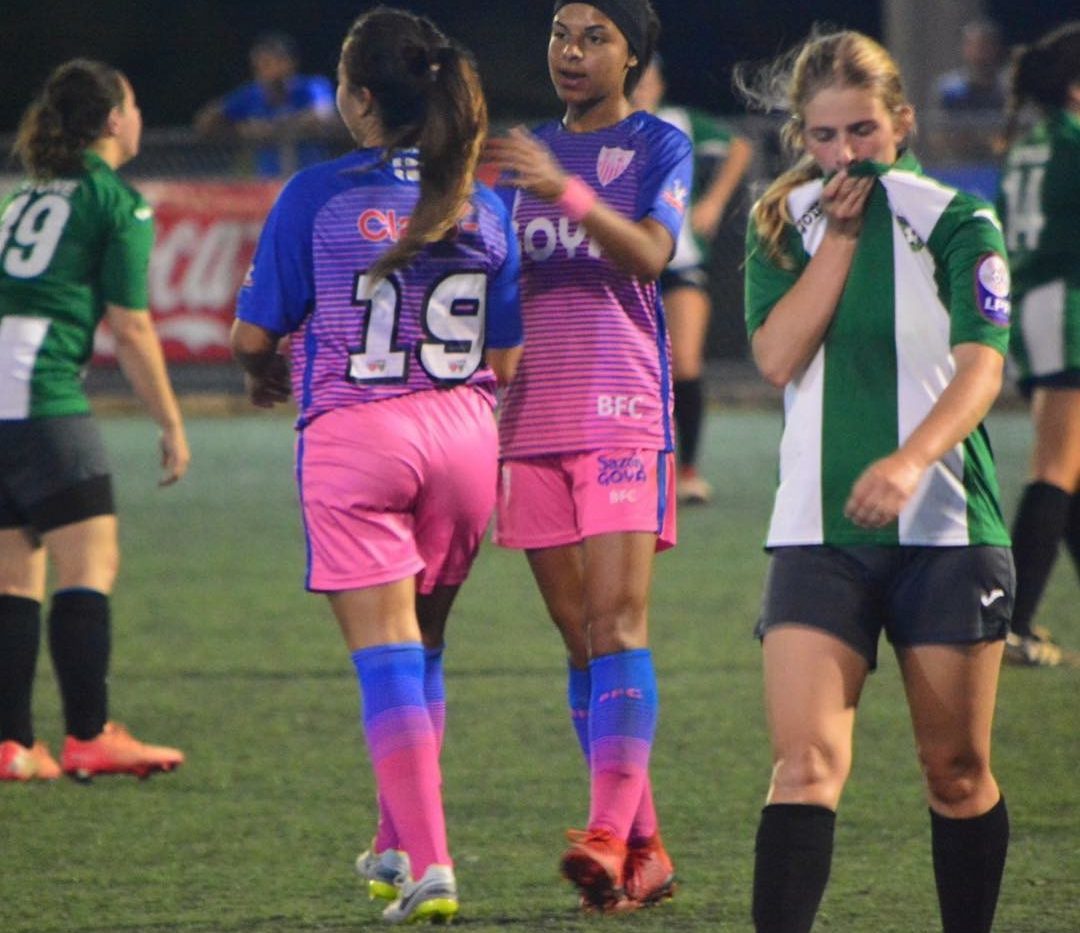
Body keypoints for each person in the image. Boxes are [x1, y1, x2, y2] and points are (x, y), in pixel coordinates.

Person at [230, 7, 522, 925]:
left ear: (358, 99)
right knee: (423, 646)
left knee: (388, 655)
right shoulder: (484, 201)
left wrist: (262, 371)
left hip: (360, 435)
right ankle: (396, 842)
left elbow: (253, 334)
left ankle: (431, 864)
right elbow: (507, 356)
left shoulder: (316, 194)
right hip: (466, 437)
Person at [739, 30, 1013, 933]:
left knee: (956, 773)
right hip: (817, 533)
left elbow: (983, 368)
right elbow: (776, 357)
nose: (846, 153)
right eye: (824, 136)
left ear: (901, 121)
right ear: (801, 137)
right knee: (804, 767)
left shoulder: (959, 219)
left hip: (946, 531)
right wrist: (840, 241)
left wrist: (909, 459)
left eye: (863, 130)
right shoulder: (783, 221)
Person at [483, 0, 691, 913]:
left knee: (618, 625)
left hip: (621, 409)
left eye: (594, 37)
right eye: (561, 35)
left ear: (632, 54)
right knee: (579, 641)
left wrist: (564, 191)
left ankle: (605, 832)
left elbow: (648, 255)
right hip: (529, 419)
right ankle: (643, 846)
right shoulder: (522, 153)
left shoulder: (657, 145)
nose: (571, 52)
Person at [0, 60, 189, 783]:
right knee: (90, 564)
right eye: (132, 105)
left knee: (14, 576)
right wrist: (170, 422)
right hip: (42, 395)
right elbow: (131, 327)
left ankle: (13, 745)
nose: (138, 117)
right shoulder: (115, 202)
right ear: (113, 120)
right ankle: (87, 734)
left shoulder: (24, 195)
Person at [630, 55, 753, 505]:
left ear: (660, 85)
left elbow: (739, 146)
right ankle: (633, 469)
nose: (640, 88)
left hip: (679, 261)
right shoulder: (603, 129)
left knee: (685, 362)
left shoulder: (680, 123)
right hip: (623, 268)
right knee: (629, 373)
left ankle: (688, 470)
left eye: (648, 80)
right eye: (633, 80)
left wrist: (714, 201)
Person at [995, 22, 1080, 668]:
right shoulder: (1072, 141)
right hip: (1065, 307)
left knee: (1070, 467)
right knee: (1055, 466)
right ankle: (1012, 623)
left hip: (1036, 305)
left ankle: (1015, 621)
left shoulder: (1030, 144)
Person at [194, 32, 338, 178]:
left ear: (289, 63)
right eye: (258, 66)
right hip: (268, 180)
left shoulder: (312, 85)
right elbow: (206, 122)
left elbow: (323, 114)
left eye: (268, 63)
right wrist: (240, 129)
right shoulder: (252, 93)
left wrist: (272, 127)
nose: (263, 71)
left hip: (309, 176)